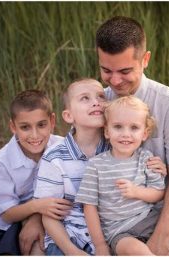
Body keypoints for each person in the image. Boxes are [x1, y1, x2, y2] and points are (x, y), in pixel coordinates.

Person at [96, 16, 169, 255]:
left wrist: (162, 236)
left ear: (145, 59)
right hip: (115, 218)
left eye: (125, 70)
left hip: (158, 211)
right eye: (106, 70)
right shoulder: (97, 103)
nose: (115, 81)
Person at [76, 96, 169, 255]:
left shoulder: (147, 159)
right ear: (106, 131)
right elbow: (89, 207)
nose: (126, 134)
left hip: (152, 220)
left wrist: (136, 191)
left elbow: (158, 193)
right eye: (118, 127)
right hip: (120, 231)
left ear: (144, 134)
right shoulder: (96, 165)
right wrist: (100, 245)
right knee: (140, 253)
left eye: (134, 128)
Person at [0, 90, 64, 255]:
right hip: (2, 217)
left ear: (52, 121)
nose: (35, 135)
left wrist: (37, 215)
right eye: (25, 127)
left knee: (16, 247)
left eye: (41, 125)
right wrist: (36, 207)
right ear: (13, 127)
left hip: (41, 214)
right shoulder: (3, 161)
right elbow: (6, 214)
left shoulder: (62, 148)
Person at [33, 79, 110, 255]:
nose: (96, 102)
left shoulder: (117, 147)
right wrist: (73, 252)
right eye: (85, 98)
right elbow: (49, 215)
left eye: (101, 96)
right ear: (68, 116)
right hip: (68, 237)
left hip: (109, 235)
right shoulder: (55, 157)